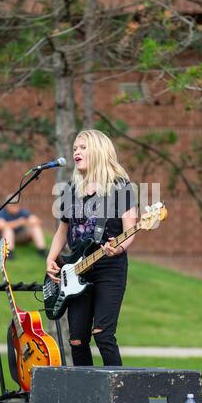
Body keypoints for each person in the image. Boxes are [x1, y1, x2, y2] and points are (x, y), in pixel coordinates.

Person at [46, 129, 138, 366]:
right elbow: (62, 231)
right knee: (76, 339)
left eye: (83, 147)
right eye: (75, 148)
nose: (76, 152)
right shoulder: (71, 189)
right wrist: (51, 258)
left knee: (103, 334)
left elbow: (132, 229)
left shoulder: (120, 187)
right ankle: (84, 397)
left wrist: (119, 247)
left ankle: (118, 396)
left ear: (98, 150)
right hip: (77, 269)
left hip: (109, 266)